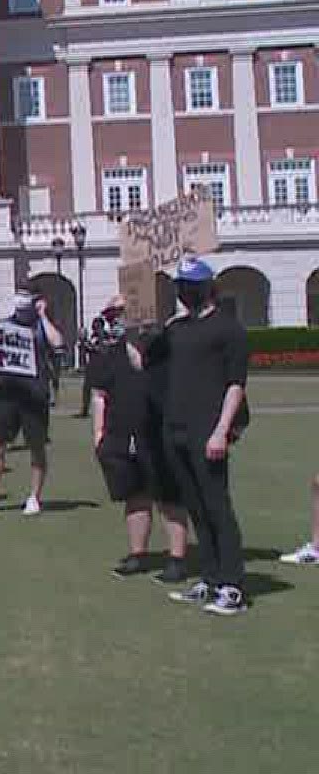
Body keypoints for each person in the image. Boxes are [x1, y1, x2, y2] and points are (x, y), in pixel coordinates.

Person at [146, 258, 251, 615]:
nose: (182, 292)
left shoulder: (228, 329)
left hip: (208, 430)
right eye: (180, 285)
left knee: (217, 506)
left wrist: (222, 430)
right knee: (195, 507)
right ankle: (208, 577)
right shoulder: (176, 329)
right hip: (173, 429)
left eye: (188, 285)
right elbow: (144, 363)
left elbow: (236, 384)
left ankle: (232, 585)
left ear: (207, 288)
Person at [85, 304, 190, 582]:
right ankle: (137, 554)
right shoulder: (108, 355)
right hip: (120, 436)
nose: (120, 318)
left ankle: (177, 557)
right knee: (134, 497)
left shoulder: (164, 350)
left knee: (169, 497)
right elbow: (99, 395)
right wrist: (99, 434)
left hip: (160, 435)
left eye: (123, 311)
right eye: (115, 314)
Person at [0, 293, 63, 515]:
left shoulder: (41, 327)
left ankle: (34, 497)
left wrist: (43, 315)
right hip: (7, 394)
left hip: (34, 395)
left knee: (36, 447)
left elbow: (58, 343)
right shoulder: (5, 326)